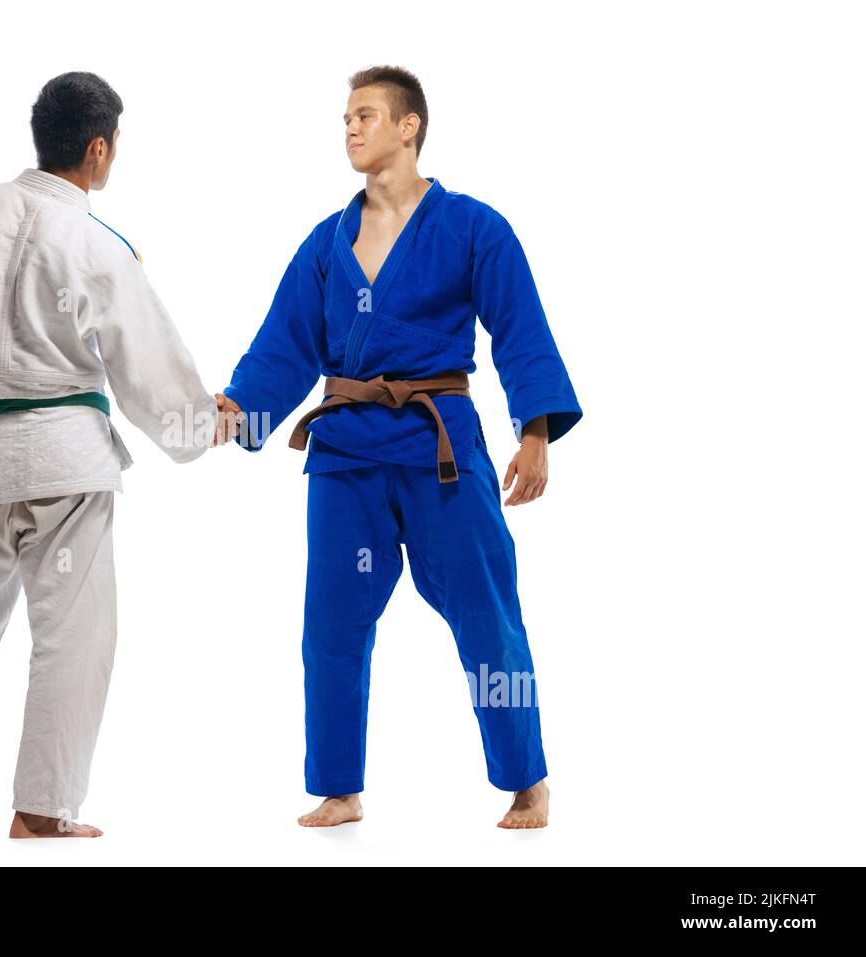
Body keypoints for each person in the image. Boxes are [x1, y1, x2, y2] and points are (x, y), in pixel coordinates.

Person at [212, 65, 581, 829]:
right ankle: (340, 786)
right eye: (346, 117)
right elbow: (285, 344)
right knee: (333, 621)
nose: (351, 128)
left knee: (485, 611)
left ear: (409, 126)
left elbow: (519, 328)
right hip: (347, 451)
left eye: (367, 115)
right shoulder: (327, 243)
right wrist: (239, 407)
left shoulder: (473, 226)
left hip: (440, 444)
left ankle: (526, 779)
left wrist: (536, 432)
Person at [0, 71, 216, 840]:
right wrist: (199, 425)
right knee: (72, 638)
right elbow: (143, 359)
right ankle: (41, 810)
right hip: (67, 463)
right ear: (97, 148)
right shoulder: (96, 243)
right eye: (113, 147)